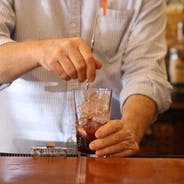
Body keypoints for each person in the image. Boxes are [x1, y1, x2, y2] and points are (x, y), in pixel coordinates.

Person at [0, 0, 172, 157]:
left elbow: (146, 71)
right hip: (18, 159)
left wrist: (131, 126)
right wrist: (37, 50)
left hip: (104, 158)